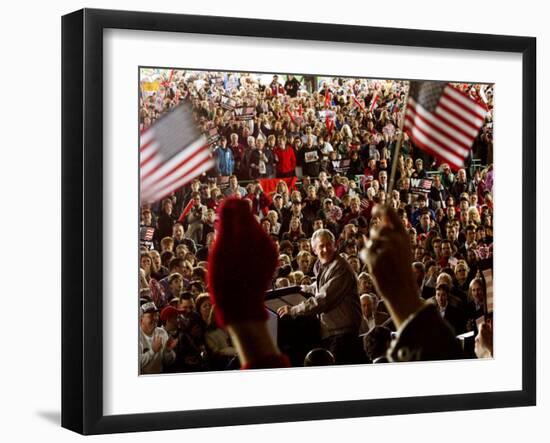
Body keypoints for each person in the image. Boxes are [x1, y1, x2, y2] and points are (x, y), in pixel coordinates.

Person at [277, 229, 364, 364]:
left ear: (335, 245)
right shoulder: (322, 265)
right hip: (330, 333)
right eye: (321, 246)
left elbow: (324, 299)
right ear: (314, 249)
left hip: (343, 334)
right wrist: (304, 288)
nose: (325, 249)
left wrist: (293, 310)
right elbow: (320, 287)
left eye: (328, 244)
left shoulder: (340, 267)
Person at [139, 300, 177, 374]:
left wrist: (168, 351)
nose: (155, 318)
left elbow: (168, 362)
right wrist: (153, 351)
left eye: (156, 315)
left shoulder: (161, 332)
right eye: (151, 315)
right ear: (141, 319)